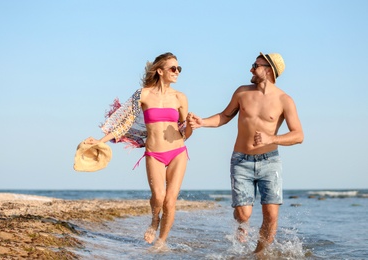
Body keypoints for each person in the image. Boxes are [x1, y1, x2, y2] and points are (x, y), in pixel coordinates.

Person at [188, 52, 303, 255]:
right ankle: (242, 224)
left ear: (268, 70)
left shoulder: (285, 100)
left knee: (271, 216)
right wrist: (202, 122)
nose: (251, 69)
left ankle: (258, 254)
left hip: (270, 162)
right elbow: (224, 116)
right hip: (241, 160)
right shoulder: (242, 92)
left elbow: (298, 135)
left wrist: (272, 139)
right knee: (243, 213)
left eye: (255, 65)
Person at [84, 52, 192, 251]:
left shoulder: (180, 98)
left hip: (177, 151)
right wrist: (100, 141)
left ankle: (161, 242)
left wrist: (191, 126)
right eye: (173, 68)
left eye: (179, 68)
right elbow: (123, 123)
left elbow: (185, 132)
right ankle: (154, 221)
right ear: (160, 71)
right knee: (158, 197)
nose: (177, 72)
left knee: (170, 200)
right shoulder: (142, 94)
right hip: (154, 153)